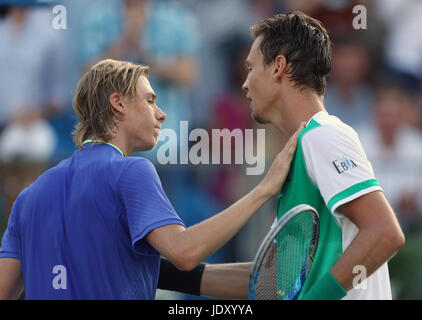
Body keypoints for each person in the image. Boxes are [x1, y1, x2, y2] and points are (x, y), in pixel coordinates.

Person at [0, 59, 302, 299]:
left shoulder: (28, 198)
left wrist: (276, 280)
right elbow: (184, 253)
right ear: (118, 103)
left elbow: (180, 274)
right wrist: (265, 188)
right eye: (150, 100)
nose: (161, 114)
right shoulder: (132, 171)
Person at [174, 12, 405, 300]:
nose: (244, 83)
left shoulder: (324, 135)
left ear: (278, 67)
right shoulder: (301, 150)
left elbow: (385, 233)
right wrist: (167, 275)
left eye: (251, 68)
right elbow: (272, 281)